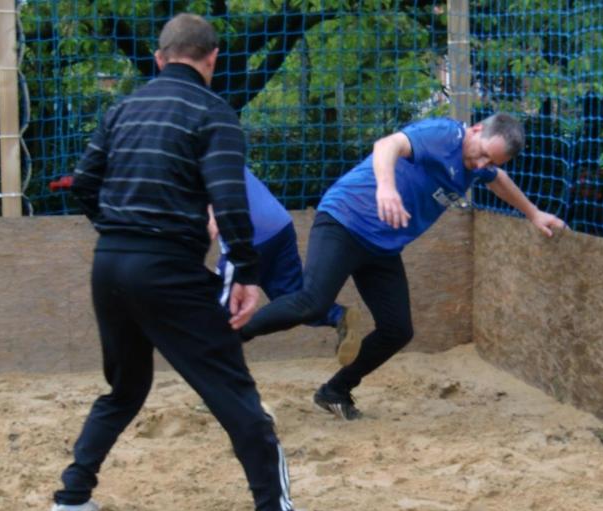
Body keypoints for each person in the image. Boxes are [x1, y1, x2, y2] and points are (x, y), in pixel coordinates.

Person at [46, 13, 335, 511]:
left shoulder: (123, 106)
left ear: (160, 57)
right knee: (234, 392)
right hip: (168, 270)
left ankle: (69, 501)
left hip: (109, 263)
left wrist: (117, 227)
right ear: (212, 59)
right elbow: (228, 202)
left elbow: (85, 182)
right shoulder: (213, 112)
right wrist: (246, 273)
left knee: (124, 389)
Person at [240, 113, 568, 420]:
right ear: (477, 129)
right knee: (312, 302)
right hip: (345, 220)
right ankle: (227, 338)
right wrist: (386, 187)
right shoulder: (445, 135)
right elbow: (388, 145)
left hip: (381, 247)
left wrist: (533, 213)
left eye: (489, 161)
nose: (481, 164)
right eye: (482, 154)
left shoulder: (478, 162)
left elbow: (498, 179)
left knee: (397, 330)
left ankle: (335, 391)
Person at [209, 167, 362, 366]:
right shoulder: (219, 145)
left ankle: (220, 388)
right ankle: (338, 315)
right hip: (279, 225)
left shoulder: (179, 152)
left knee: (217, 318)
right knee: (293, 297)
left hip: (246, 236)